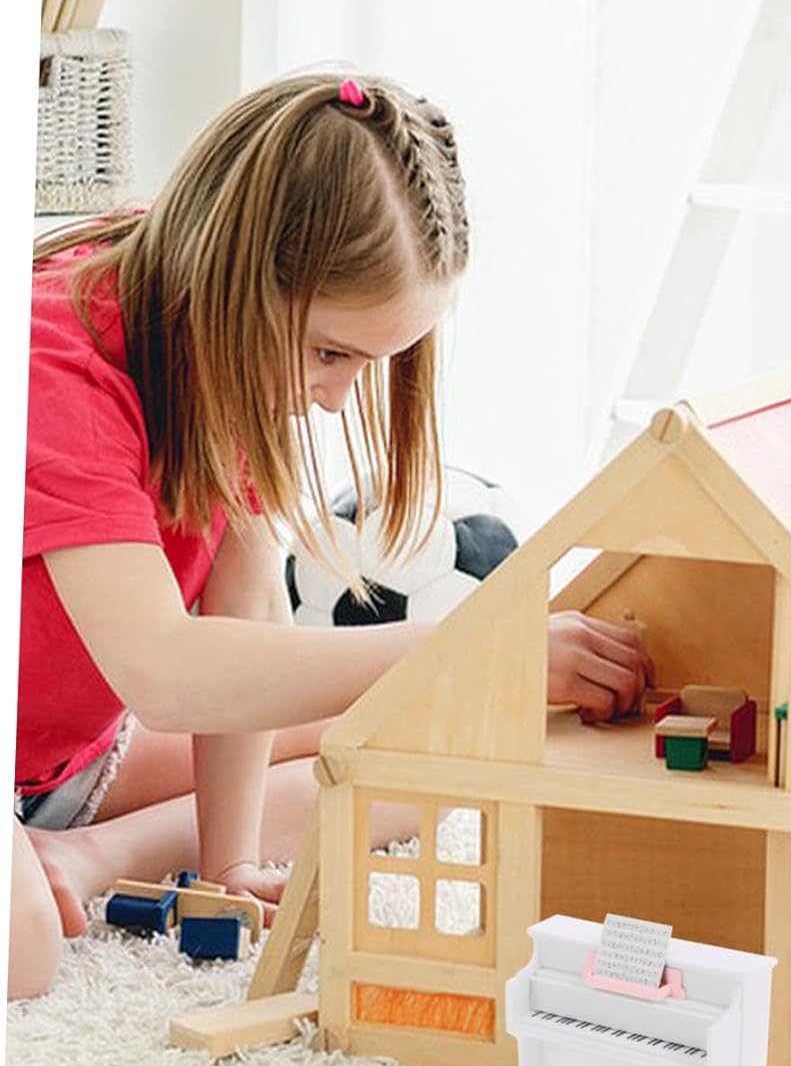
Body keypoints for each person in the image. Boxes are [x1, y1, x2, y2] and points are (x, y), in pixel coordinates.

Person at [12, 72, 652, 1001]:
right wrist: (475, 646)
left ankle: (80, 854)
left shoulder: (212, 327)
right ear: (235, 276)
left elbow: (248, 610)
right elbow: (165, 673)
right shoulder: (55, 361)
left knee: (428, 746)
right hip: (64, 739)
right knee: (21, 949)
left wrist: (231, 864)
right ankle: (54, 862)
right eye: (329, 354)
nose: (335, 399)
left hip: (72, 762)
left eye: (368, 363)